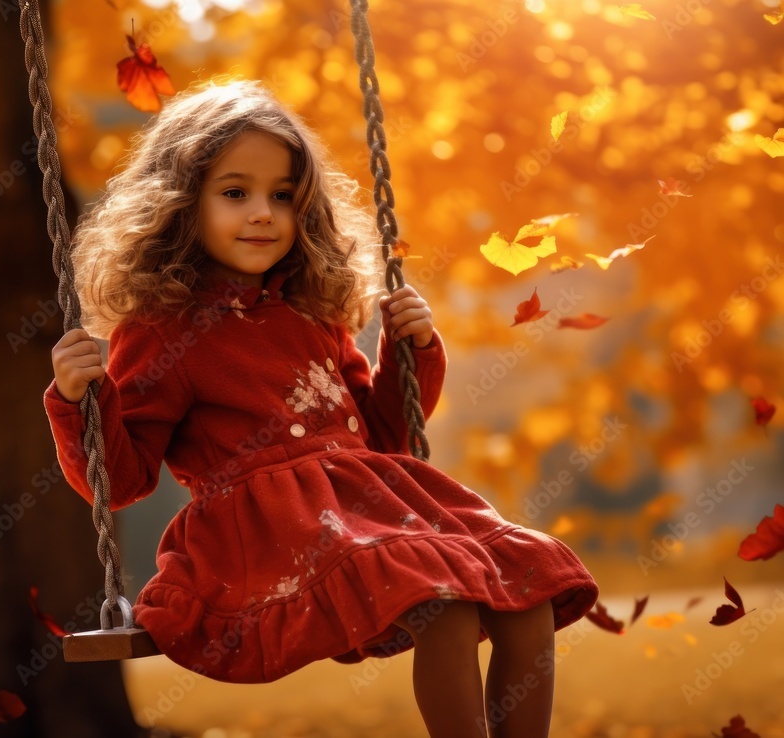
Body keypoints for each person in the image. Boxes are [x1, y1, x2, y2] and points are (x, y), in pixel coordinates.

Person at [45, 78, 598, 737]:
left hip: (368, 505)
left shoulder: (310, 314)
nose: (263, 213)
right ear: (178, 205)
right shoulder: (163, 331)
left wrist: (411, 347)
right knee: (445, 606)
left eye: (283, 196)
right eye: (235, 192)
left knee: (528, 595)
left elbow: (385, 435)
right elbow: (124, 478)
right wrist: (81, 399)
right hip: (270, 535)